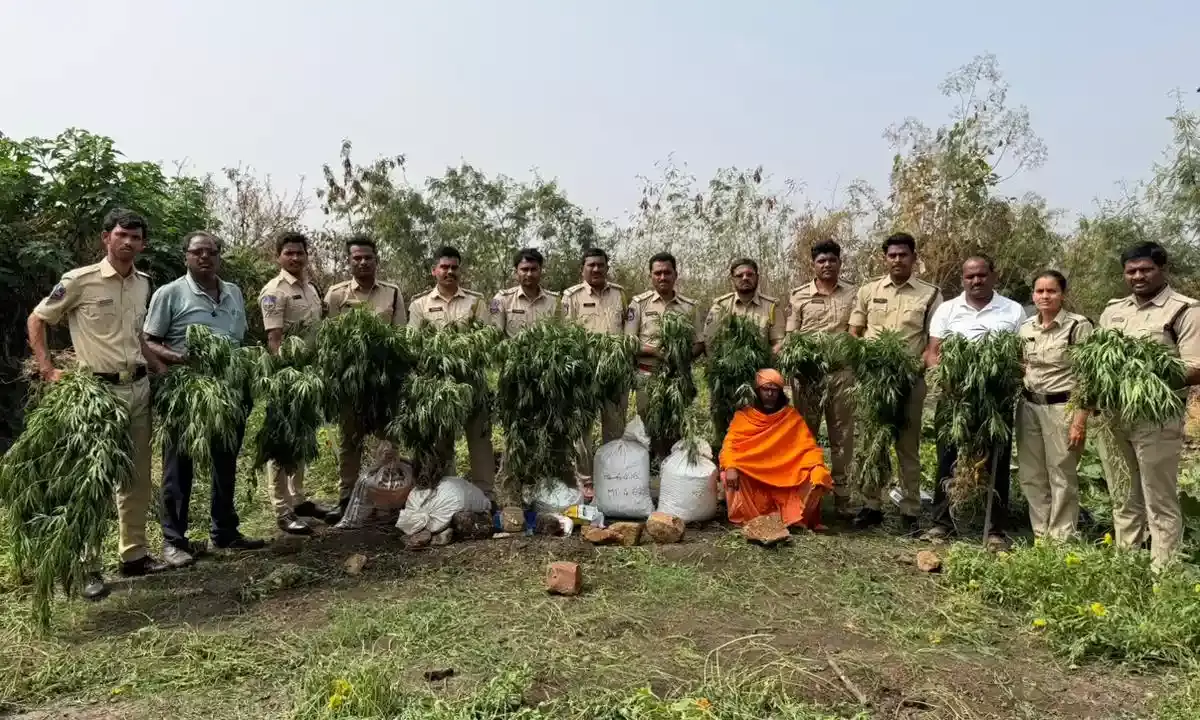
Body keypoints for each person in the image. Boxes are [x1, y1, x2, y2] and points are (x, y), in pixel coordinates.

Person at [26, 209, 169, 599]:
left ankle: (134, 555)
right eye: (122, 235)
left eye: (136, 238)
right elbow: (38, 320)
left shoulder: (143, 283)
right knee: (93, 480)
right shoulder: (79, 281)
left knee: (136, 477)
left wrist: (156, 365)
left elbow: (137, 335)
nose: (128, 243)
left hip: (138, 390)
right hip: (97, 395)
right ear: (106, 237)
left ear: (142, 243)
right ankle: (89, 565)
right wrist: (48, 370)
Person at [143, 231, 266, 568]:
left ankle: (224, 530)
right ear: (186, 256)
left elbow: (237, 340)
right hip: (188, 393)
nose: (205, 258)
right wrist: (182, 359)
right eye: (197, 252)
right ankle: (174, 540)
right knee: (179, 466)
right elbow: (147, 342)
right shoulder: (170, 294)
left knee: (225, 461)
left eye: (211, 252)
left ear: (219, 256)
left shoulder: (234, 293)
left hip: (229, 391)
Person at [1097, 242, 1200, 569]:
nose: (1138, 276)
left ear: (1162, 269)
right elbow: (1098, 356)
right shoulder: (1113, 310)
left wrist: (1143, 375)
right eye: (1131, 271)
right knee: (1123, 495)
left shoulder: (1185, 309)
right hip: (1115, 416)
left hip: (1157, 418)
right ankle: (1127, 568)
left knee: (1160, 500)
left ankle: (1163, 576)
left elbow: (1195, 367)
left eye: (1146, 269)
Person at [923, 255, 1025, 546]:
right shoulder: (948, 309)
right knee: (947, 456)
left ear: (994, 275)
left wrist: (1005, 378)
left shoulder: (1013, 310)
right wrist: (945, 378)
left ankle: (994, 528)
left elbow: (1020, 356)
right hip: (955, 397)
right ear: (963, 279)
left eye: (981, 275)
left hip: (995, 399)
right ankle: (942, 522)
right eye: (970, 277)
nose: (976, 281)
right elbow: (933, 352)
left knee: (997, 460)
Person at [847, 232, 942, 533]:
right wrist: (862, 364)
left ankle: (910, 509)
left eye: (904, 255)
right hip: (874, 381)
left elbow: (933, 342)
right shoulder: (868, 290)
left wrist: (920, 367)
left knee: (907, 446)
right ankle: (871, 505)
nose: (898, 260)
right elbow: (855, 333)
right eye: (892, 255)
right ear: (884, 258)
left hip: (910, 381)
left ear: (914, 258)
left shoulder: (930, 294)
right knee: (871, 443)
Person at [322, 235, 406, 524]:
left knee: (388, 441)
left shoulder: (393, 293)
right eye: (356, 258)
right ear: (349, 262)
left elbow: (400, 338)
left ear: (376, 260)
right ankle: (346, 499)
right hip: (350, 384)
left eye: (368, 257)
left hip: (384, 384)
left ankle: (388, 497)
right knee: (350, 442)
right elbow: (329, 339)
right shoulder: (336, 295)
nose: (363, 262)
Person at [258, 231, 333, 535]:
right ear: (278, 256)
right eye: (289, 253)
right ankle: (282, 508)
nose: (295, 258)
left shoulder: (311, 288)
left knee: (303, 438)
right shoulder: (274, 291)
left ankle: (298, 498)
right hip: (288, 376)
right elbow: (274, 339)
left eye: (300, 253)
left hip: (310, 376)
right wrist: (283, 378)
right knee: (283, 443)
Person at [408, 246, 495, 495]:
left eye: (454, 268)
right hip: (438, 387)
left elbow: (487, 337)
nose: (449, 272)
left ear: (460, 271)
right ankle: (447, 494)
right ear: (434, 270)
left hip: (472, 383)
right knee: (441, 442)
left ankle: (485, 495)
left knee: (479, 441)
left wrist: (466, 351)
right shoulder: (420, 304)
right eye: (444, 267)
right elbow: (413, 343)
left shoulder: (476, 302)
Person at [1016, 270, 1092, 541]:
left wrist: (1079, 420)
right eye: (1040, 291)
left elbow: (1088, 376)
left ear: (1063, 294)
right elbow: (1022, 366)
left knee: (1061, 473)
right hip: (1028, 407)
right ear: (1033, 295)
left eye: (1052, 291)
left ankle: (1061, 538)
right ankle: (1041, 533)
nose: (1045, 296)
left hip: (1063, 408)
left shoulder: (1077, 326)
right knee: (1031, 473)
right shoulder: (1026, 328)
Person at [784, 240, 857, 515]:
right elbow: (792, 336)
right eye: (821, 261)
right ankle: (806, 492)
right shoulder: (799, 295)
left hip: (841, 374)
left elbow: (856, 331)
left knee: (842, 435)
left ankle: (843, 496)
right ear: (813, 265)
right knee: (805, 434)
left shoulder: (853, 294)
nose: (827, 265)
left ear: (840, 262)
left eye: (832, 260)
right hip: (809, 376)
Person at [719, 369, 833, 530]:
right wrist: (730, 466)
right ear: (758, 391)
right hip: (754, 474)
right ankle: (749, 520)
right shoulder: (743, 416)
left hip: (787, 474)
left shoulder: (791, 416)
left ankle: (797, 520)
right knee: (729, 474)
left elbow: (809, 448)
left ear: (780, 393)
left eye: (775, 390)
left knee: (818, 474)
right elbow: (729, 447)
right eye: (766, 389)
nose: (770, 394)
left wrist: (817, 464)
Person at [562, 248, 628, 490]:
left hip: (614, 373)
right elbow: (567, 337)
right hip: (585, 375)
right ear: (583, 269)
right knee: (582, 433)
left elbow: (627, 332)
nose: (597, 269)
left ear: (607, 268)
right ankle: (586, 481)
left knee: (615, 427)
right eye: (591, 265)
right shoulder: (571, 296)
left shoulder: (620, 294)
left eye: (601, 265)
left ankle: (612, 480)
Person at [625, 252, 701, 459]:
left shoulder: (689, 306)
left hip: (678, 377)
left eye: (667, 272)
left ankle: (673, 464)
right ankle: (653, 465)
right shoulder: (639, 304)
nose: (662, 277)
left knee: (676, 423)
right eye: (657, 273)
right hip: (647, 376)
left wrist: (682, 356)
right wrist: (656, 352)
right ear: (651, 276)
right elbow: (629, 341)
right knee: (650, 422)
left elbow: (698, 343)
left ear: (676, 274)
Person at [490, 248, 561, 338]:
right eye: (524, 269)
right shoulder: (503, 299)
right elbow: (495, 335)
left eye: (534, 269)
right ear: (516, 272)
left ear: (541, 271)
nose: (529, 274)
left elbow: (560, 335)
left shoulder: (554, 301)